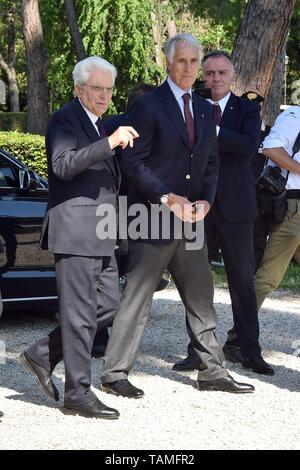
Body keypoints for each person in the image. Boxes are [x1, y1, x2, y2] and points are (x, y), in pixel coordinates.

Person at [100, 34, 254, 398]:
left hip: (192, 219)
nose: (188, 69)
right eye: (181, 61)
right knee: (137, 298)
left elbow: (211, 162)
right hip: (152, 216)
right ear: (168, 63)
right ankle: (114, 373)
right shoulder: (149, 106)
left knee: (202, 298)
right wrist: (167, 197)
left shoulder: (204, 109)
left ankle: (212, 371)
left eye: (193, 62)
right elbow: (133, 162)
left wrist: (207, 202)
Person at [19, 56, 138, 419]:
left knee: (107, 306)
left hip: (100, 232)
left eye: (108, 89)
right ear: (79, 88)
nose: (104, 95)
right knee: (79, 314)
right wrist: (110, 144)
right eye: (97, 88)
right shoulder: (65, 120)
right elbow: (62, 166)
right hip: (74, 232)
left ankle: (42, 353)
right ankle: (77, 395)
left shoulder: (100, 124)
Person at [173, 50, 274, 375]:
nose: (215, 78)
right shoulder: (191, 106)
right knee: (195, 282)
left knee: (242, 282)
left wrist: (213, 130)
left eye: (221, 73)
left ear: (232, 77)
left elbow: (248, 146)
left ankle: (249, 351)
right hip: (197, 207)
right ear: (204, 76)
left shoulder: (246, 108)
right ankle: (197, 351)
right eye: (210, 73)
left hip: (236, 208)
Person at [91, 81, 157, 357]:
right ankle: (115, 334)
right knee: (131, 270)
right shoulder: (149, 125)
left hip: (111, 203)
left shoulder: (110, 124)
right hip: (136, 205)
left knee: (109, 270)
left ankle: (100, 336)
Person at [254, 106, 300, 309]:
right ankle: (239, 336)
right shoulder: (295, 115)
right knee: (268, 278)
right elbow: (271, 148)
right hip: (294, 206)